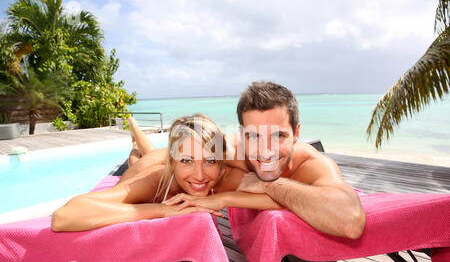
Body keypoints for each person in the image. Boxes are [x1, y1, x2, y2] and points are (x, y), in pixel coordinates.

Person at [128, 82, 366, 239]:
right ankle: (136, 138)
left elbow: (350, 221)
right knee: (143, 159)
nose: (266, 151)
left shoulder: (312, 165)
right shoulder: (233, 151)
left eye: (279, 136)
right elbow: (168, 157)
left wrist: (265, 186)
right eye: (254, 136)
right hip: (170, 155)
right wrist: (131, 179)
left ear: (296, 134)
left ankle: (136, 140)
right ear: (243, 135)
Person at [51, 114, 282, 232]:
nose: (200, 176)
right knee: (137, 160)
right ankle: (134, 130)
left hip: (174, 157)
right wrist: (162, 210)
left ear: (222, 165)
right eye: (187, 161)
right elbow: (64, 217)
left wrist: (222, 198)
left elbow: (282, 197)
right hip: (148, 169)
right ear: (173, 162)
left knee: (154, 151)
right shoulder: (156, 181)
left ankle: (137, 133)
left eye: (211, 161)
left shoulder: (223, 176)